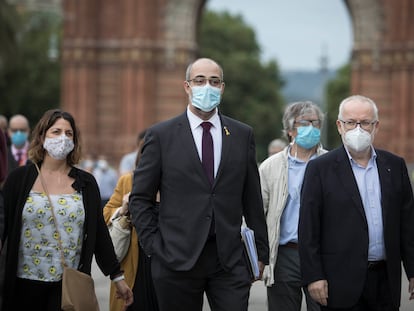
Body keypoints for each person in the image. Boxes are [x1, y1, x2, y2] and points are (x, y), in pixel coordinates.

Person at [129, 57, 269, 311]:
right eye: (200, 80)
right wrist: (154, 246)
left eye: (214, 81)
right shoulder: (161, 136)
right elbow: (140, 198)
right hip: (176, 258)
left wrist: (260, 252)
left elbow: (252, 199)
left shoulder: (241, 135)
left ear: (222, 88)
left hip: (228, 258)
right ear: (187, 86)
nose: (207, 86)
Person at [1, 109, 133, 310]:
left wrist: (117, 276)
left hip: (67, 287)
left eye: (68, 133)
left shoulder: (85, 183)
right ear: (42, 136)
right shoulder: (19, 179)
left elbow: (98, 233)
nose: (62, 138)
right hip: (23, 284)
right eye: (56, 132)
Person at [298, 95, 414, 310]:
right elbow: (308, 228)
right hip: (339, 281)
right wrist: (313, 276)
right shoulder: (320, 169)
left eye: (365, 122)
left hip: (385, 280)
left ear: (376, 126)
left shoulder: (394, 166)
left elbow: (408, 224)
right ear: (340, 126)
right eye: (351, 122)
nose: (358, 129)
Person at [259, 101, 326, 311]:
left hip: (323, 254)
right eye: (304, 123)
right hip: (285, 254)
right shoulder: (271, 166)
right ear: (289, 130)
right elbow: (257, 213)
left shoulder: (332, 164)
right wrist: (258, 257)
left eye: (315, 123)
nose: (311, 128)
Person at [103, 129, 159, 311]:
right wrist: (123, 209)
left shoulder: (175, 184)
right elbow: (105, 214)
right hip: (134, 265)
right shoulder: (128, 181)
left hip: (165, 265)